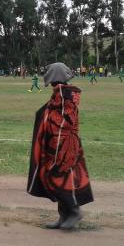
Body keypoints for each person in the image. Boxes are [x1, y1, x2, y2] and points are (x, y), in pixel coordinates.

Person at [27, 62, 93, 230]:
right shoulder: (60, 95)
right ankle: (64, 215)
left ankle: (74, 211)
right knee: (55, 178)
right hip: (56, 145)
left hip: (63, 147)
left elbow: (63, 123)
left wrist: (58, 150)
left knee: (58, 178)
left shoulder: (65, 96)